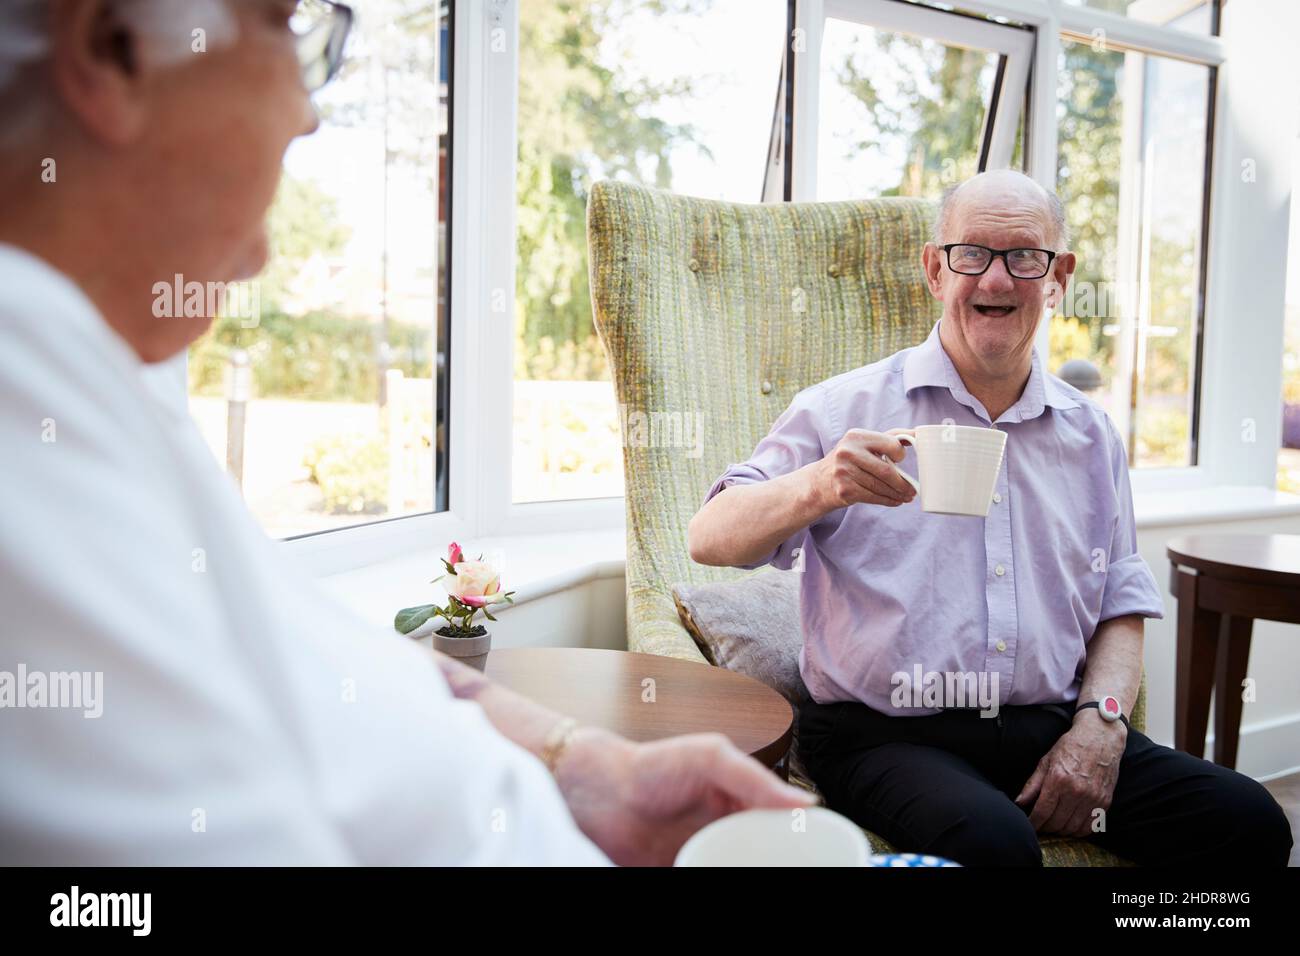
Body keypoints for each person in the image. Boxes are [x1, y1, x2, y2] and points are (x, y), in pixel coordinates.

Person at [0, 0, 813, 866]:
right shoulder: (25, 375)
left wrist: (581, 765)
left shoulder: (105, 371)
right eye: (286, 26)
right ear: (110, 46)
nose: (312, 110)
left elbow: (317, 660)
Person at [689, 169, 1294, 866]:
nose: (997, 281)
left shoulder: (1090, 435)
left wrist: (1100, 728)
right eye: (971, 253)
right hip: (886, 733)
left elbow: (1120, 606)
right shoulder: (840, 410)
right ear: (935, 270)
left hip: (1047, 725)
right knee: (995, 847)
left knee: (1251, 824)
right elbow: (711, 537)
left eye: (1023, 257)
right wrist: (820, 485)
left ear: (1058, 276)